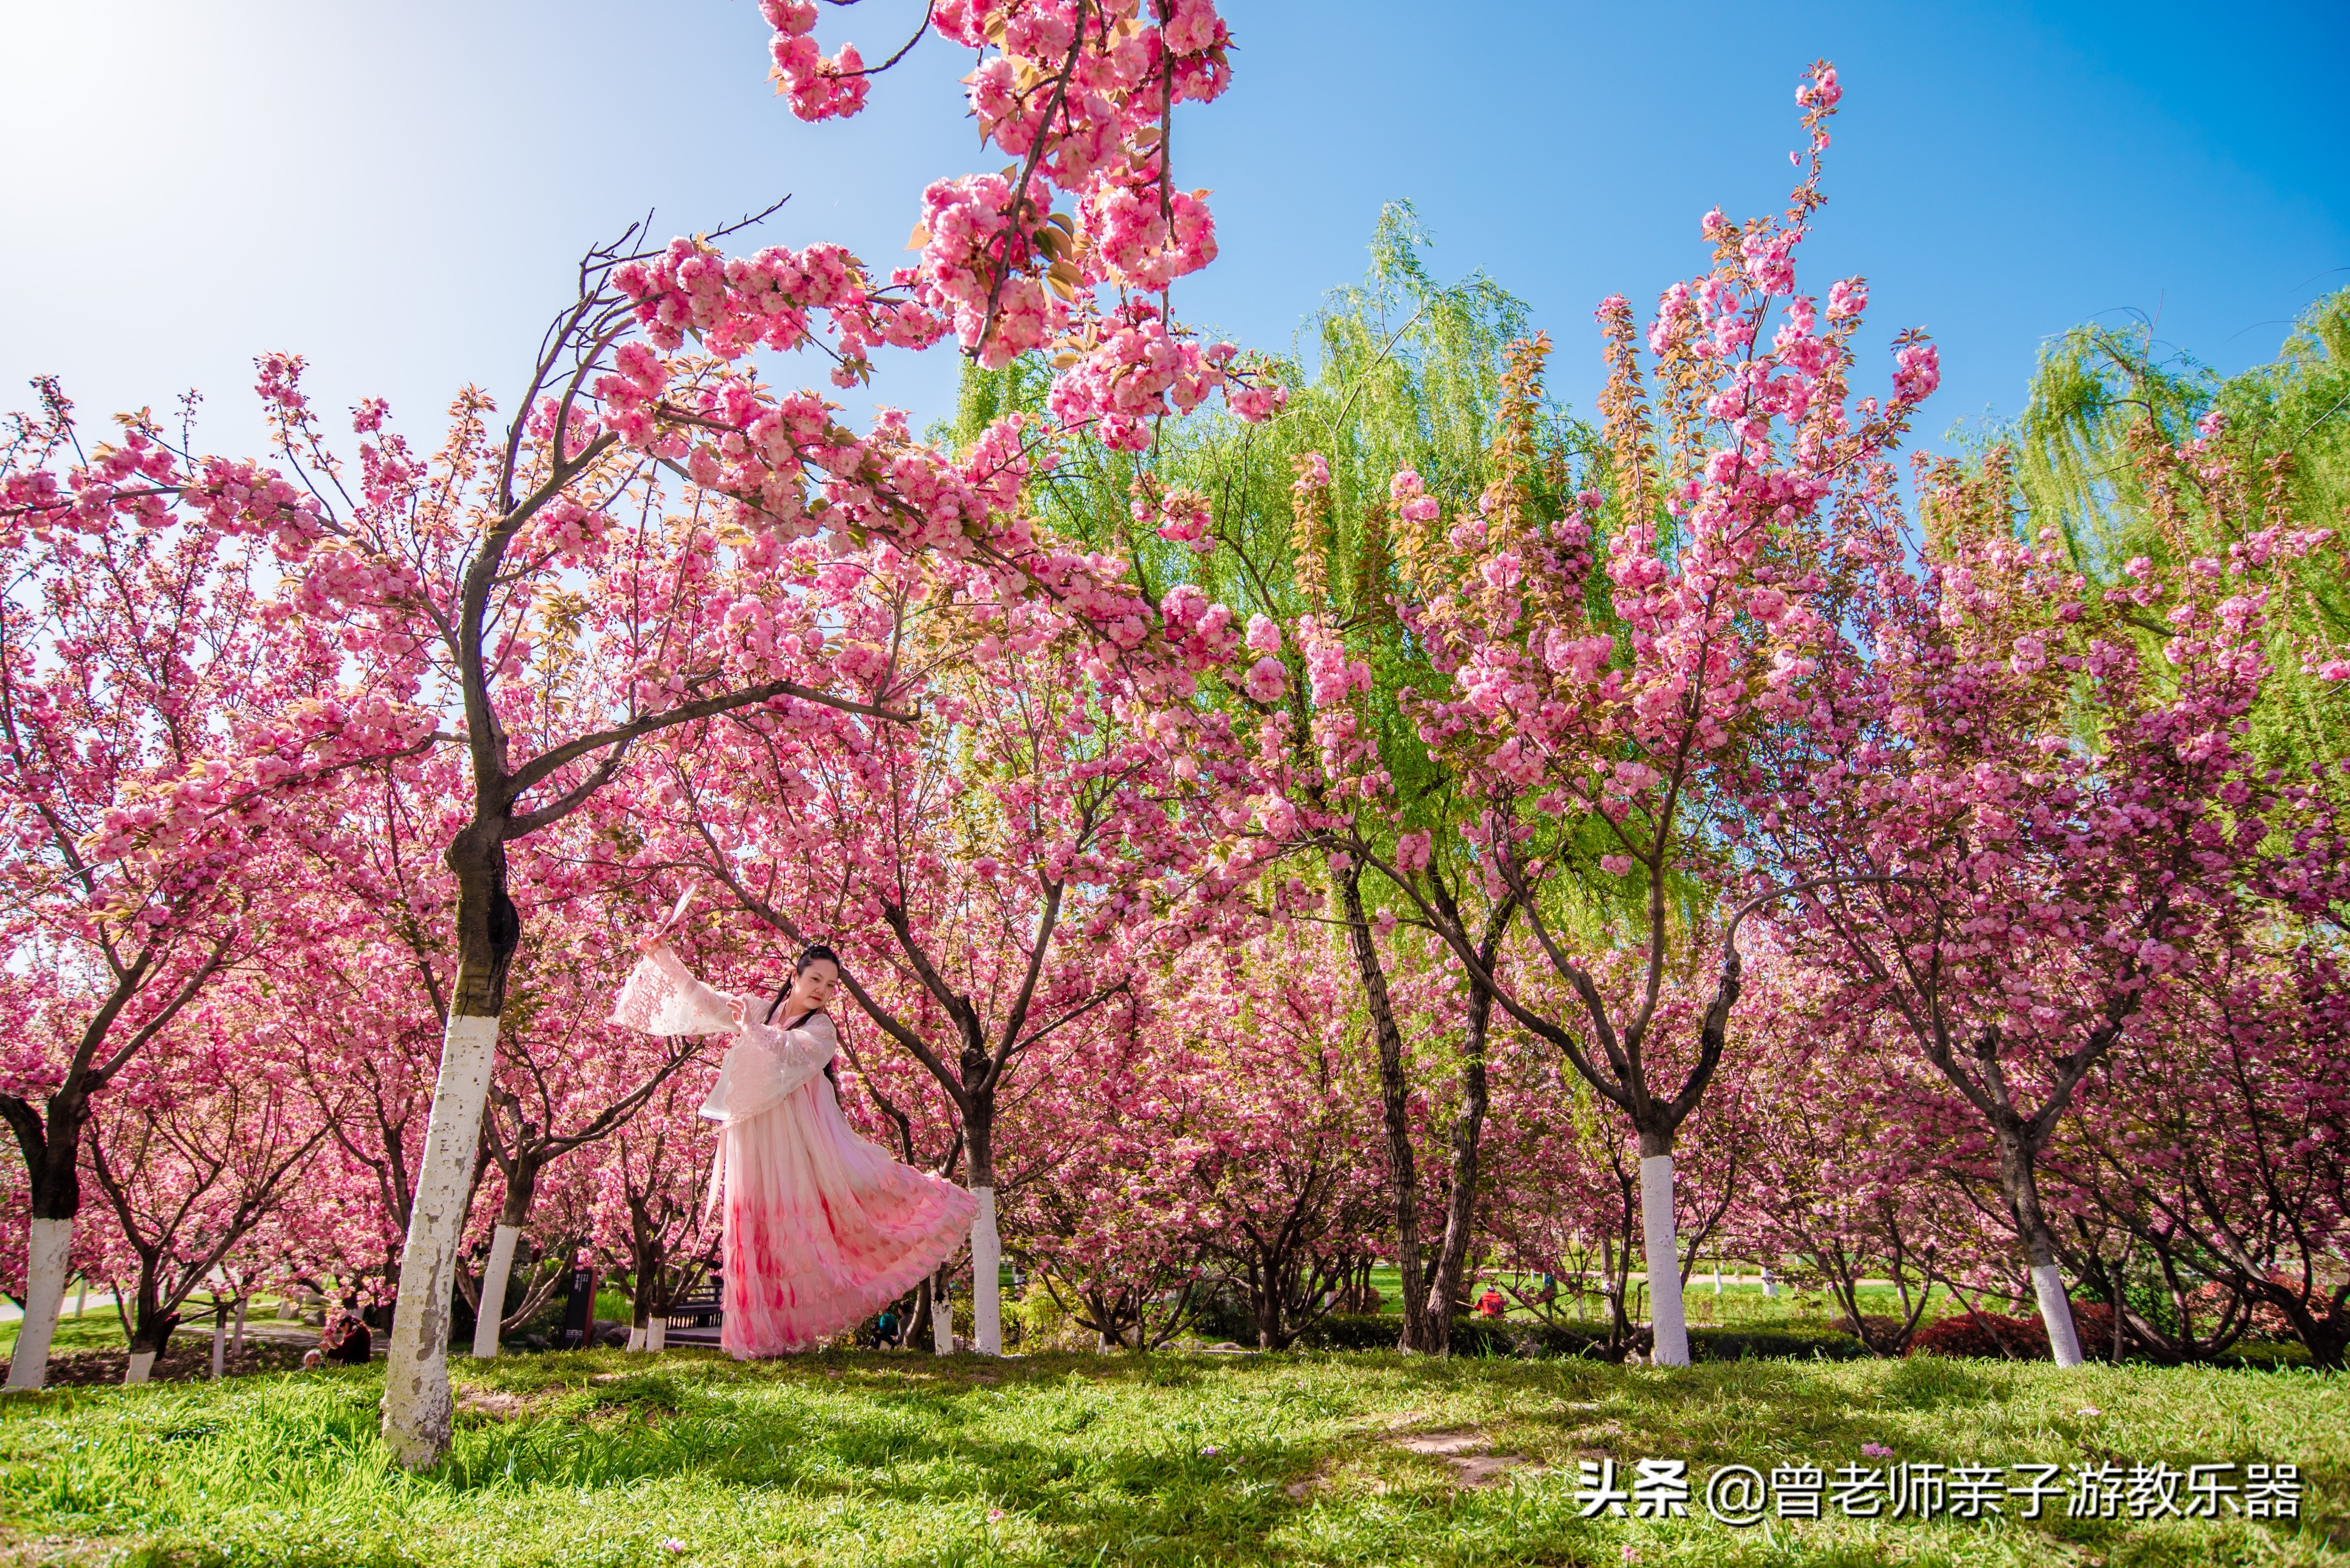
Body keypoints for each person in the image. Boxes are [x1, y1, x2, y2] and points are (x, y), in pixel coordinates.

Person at [612, 889, 975, 1359]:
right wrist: (662, 955)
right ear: (795, 975)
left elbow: (789, 1053)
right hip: (753, 1128)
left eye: (831, 985)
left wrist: (751, 1032)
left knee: (803, 1221)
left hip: (796, 1135)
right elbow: (701, 998)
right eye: (816, 979)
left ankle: (799, 1326)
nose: (822, 990)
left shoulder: (820, 1028)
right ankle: (760, 1335)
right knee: (754, 1221)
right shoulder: (758, 1008)